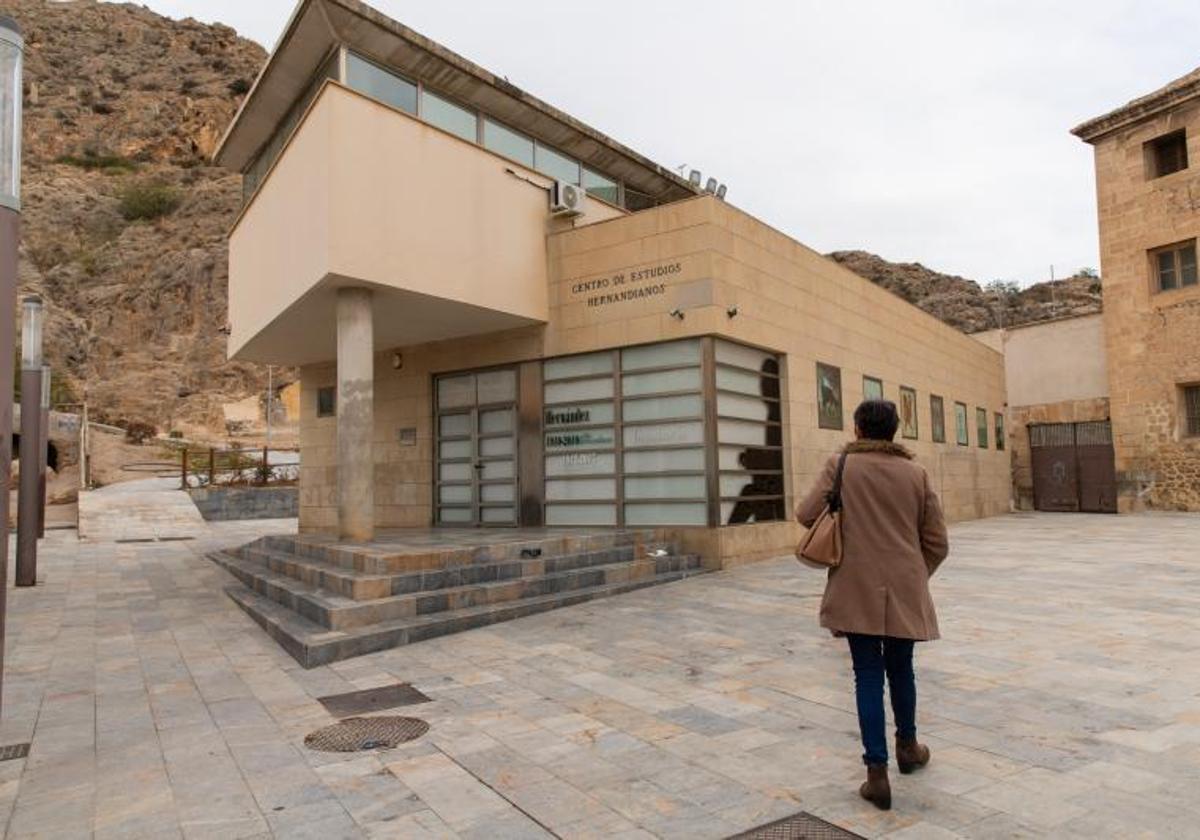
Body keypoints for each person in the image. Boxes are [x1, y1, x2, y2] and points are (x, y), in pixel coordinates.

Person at [795, 399, 949, 811]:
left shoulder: (841, 465)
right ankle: (909, 748)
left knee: (866, 673)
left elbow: (805, 514)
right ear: (896, 430)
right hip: (903, 586)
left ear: (858, 429)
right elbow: (937, 542)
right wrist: (914, 577)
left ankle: (876, 773)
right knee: (902, 669)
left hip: (855, 584)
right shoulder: (916, 474)